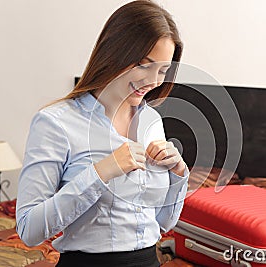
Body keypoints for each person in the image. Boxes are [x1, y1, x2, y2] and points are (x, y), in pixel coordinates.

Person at [15, 1, 188, 267]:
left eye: (162, 71)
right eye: (144, 65)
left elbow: (163, 223)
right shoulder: (56, 123)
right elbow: (29, 230)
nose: (153, 82)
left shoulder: (151, 120)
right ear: (115, 52)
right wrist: (102, 172)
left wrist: (177, 174)